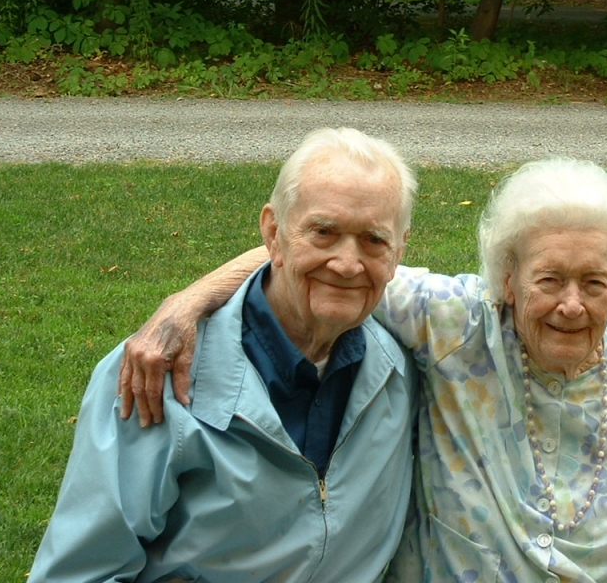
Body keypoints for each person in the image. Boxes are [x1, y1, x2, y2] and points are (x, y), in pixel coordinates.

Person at [121, 150, 607, 580]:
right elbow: (331, 257)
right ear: (507, 281)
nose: (571, 304)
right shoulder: (457, 328)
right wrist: (189, 300)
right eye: (548, 278)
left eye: (595, 283)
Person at [30, 128, 421, 581]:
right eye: (324, 231)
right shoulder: (156, 373)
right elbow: (80, 573)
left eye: (373, 239)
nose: (348, 263)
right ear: (273, 232)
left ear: (399, 252)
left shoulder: (404, 364)